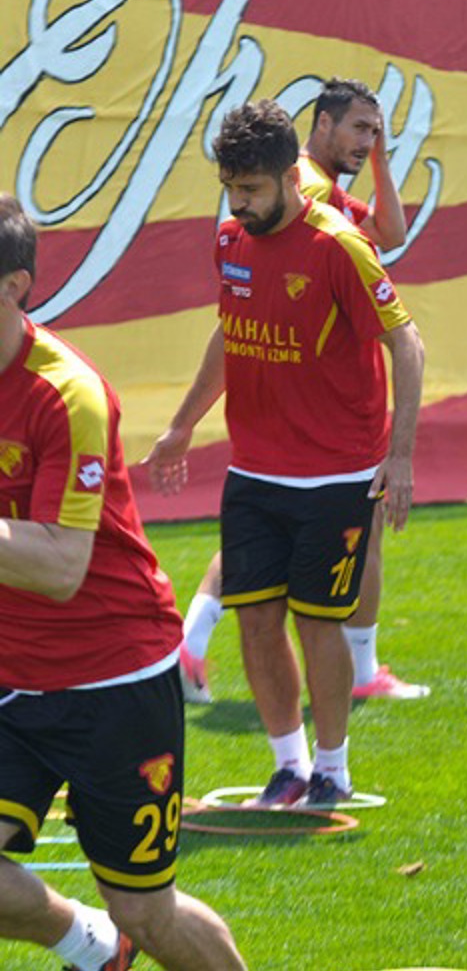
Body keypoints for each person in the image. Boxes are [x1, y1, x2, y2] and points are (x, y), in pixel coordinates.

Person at [145, 99, 425, 809]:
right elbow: (229, 331)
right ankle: (288, 767)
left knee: (318, 619)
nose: (238, 204)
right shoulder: (231, 241)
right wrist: (182, 426)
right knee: (255, 619)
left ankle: (332, 770)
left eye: (251, 189)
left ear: (289, 177)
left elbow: (407, 344)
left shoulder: (339, 246)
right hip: (253, 471)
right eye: (229, 189)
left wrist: (399, 457)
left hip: (336, 474)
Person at [0, 195, 246, 970]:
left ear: (14, 285)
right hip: (11, 676)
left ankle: (117, 932)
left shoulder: (65, 392)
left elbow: (60, 566)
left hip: (113, 679)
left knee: (145, 906)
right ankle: (94, 945)